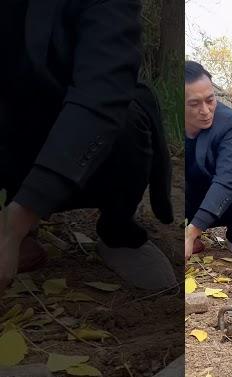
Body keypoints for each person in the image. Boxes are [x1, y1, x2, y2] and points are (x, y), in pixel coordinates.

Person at [0, 0, 177, 294]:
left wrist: (18, 220)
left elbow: (101, 92)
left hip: (84, 127)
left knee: (127, 119)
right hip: (12, 124)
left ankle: (116, 231)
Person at [183, 61, 232, 263]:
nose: (206, 110)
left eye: (210, 100)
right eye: (194, 104)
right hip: (190, 192)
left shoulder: (229, 123)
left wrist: (191, 232)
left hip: (224, 192)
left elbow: (227, 178)